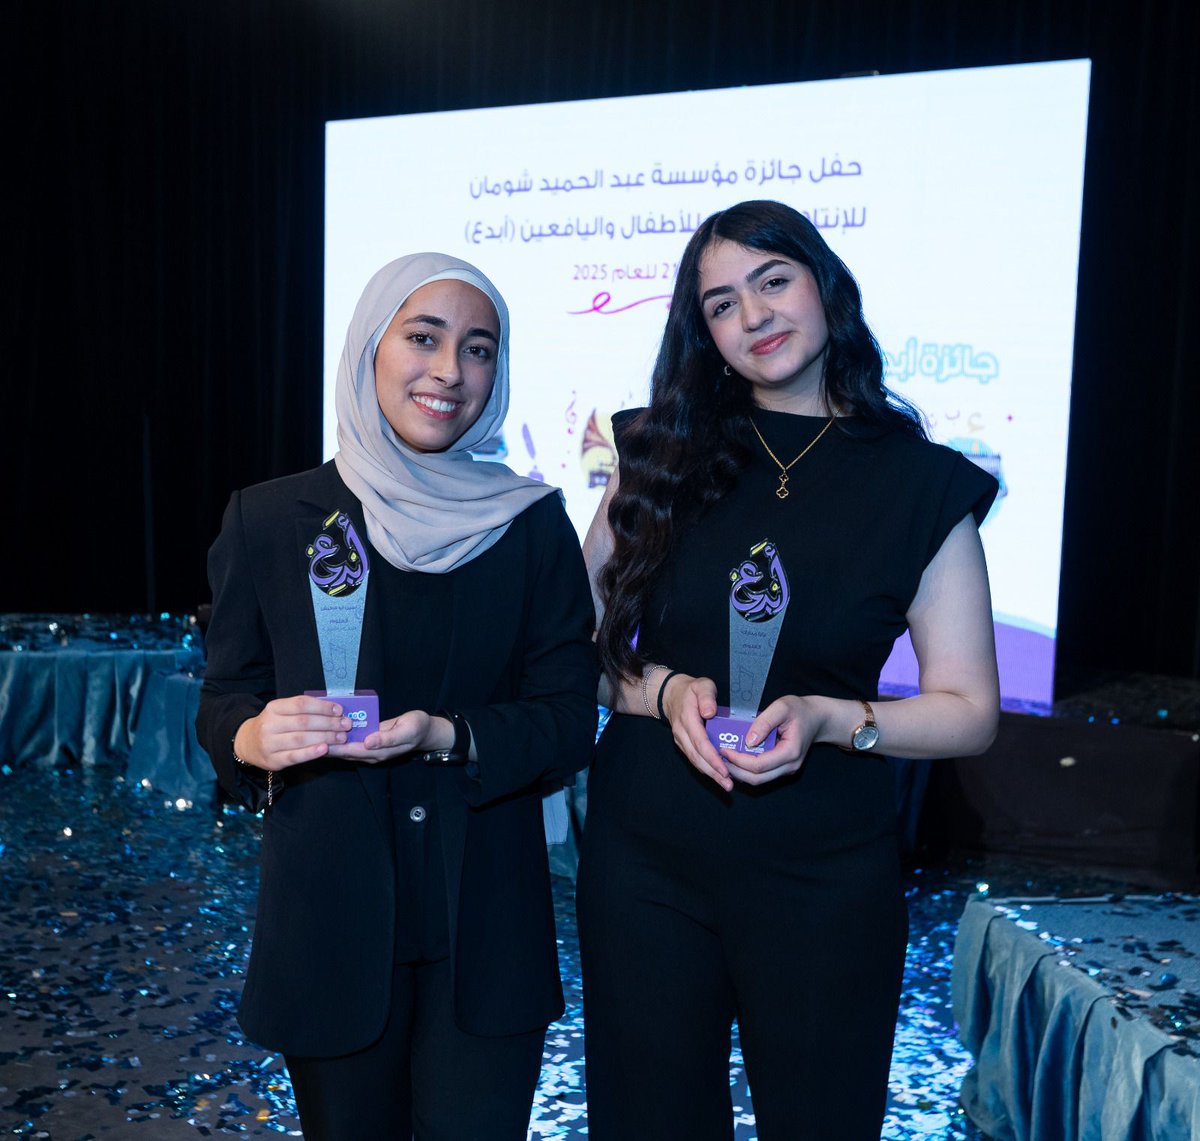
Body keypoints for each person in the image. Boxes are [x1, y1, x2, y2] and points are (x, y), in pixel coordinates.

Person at [576, 200, 1000, 1140]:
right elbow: (583, 657)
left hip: (824, 874)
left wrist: (825, 716)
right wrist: (668, 690)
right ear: (705, 331)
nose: (754, 315)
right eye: (723, 303)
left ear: (824, 287)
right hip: (644, 864)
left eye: (773, 281)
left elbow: (968, 709)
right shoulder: (653, 453)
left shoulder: (920, 484)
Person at [196, 252, 597, 1140]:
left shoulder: (529, 525)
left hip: (486, 934)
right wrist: (253, 737)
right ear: (371, 346)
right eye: (424, 338)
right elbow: (225, 698)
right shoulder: (270, 520)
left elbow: (572, 720)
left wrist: (449, 735)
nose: (450, 371)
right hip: (329, 928)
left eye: (479, 348)